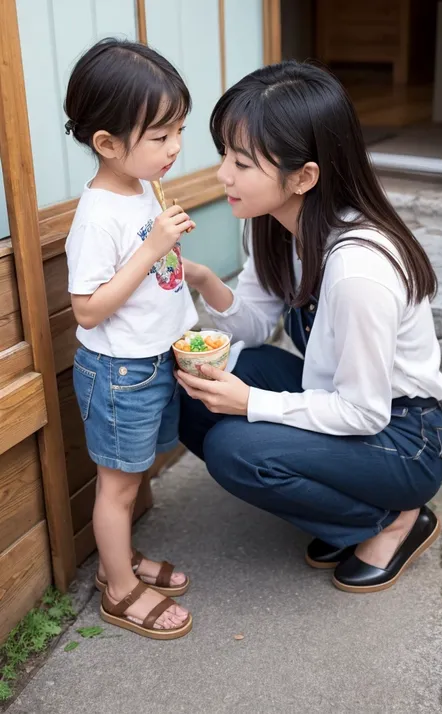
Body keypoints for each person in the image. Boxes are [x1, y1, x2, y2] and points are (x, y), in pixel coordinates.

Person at [178, 60, 442, 594]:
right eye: (224, 156)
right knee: (195, 393)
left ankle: (391, 520)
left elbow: (363, 409)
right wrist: (206, 280)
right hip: (339, 402)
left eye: (242, 162)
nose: (223, 175)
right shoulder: (276, 225)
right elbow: (254, 328)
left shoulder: (359, 269)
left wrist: (251, 404)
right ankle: (345, 514)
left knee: (235, 448)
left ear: (303, 176)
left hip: (401, 437)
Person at [65, 38, 196, 637]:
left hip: (151, 362)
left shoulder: (141, 184)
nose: (175, 149)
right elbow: (88, 310)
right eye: (161, 137)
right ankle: (118, 589)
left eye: (178, 131)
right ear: (108, 144)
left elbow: (152, 277)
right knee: (117, 488)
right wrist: (152, 249)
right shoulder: (97, 214)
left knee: (133, 474)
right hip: (120, 372)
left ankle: (123, 561)